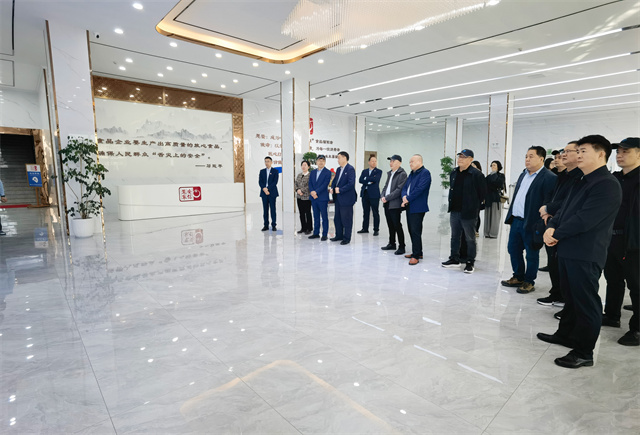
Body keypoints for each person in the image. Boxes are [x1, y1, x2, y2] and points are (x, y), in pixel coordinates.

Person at [538, 135, 622, 368]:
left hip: (586, 253)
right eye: (578, 151)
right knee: (570, 298)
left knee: (586, 302)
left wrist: (556, 233)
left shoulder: (606, 184)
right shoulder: (581, 180)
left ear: (601, 154)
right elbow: (564, 210)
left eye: (583, 151)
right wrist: (552, 226)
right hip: (568, 248)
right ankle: (565, 334)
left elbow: (585, 219)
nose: (578, 155)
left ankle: (584, 352)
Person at [501, 146, 556, 293]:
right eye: (526, 156)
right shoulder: (523, 174)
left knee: (531, 253)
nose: (527, 159)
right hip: (516, 220)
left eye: (531, 156)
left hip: (533, 222)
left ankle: (529, 281)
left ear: (541, 159)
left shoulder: (549, 177)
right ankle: (518, 276)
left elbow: (549, 201)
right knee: (513, 249)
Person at [602, 137, 639, 346]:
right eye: (618, 152)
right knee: (613, 279)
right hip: (611, 238)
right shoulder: (614, 179)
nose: (620, 155)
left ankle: (637, 329)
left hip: (634, 241)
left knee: (637, 285)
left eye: (626, 151)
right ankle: (611, 315)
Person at [537, 141, 582, 308]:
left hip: (564, 227)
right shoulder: (562, 176)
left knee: (563, 267)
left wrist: (548, 208)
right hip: (552, 222)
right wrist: (546, 210)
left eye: (567, 152)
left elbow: (569, 202)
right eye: (560, 154)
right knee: (554, 263)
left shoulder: (580, 178)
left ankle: (563, 298)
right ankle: (557, 293)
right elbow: (552, 197)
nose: (561, 156)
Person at [442, 149, 486, 273]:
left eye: (464, 157)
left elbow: (482, 194)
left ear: (471, 159)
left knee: (470, 238)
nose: (460, 159)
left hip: (469, 212)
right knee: (455, 236)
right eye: (459, 156)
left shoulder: (476, 174)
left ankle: (470, 262)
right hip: (455, 210)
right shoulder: (454, 172)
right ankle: (454, 258)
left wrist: (474, 207)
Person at [401, 155, 431, 265]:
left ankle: (416, 255)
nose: (410, 164)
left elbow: (420, 189)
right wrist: (404, 196)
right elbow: (405, 187)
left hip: (418, 206)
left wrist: (407, 198)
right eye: (409, 162)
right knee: (411, 229)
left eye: (412, 161)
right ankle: (418, 252)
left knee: (415, 230)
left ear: (419, 161)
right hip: (409, 205)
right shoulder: (412, 173)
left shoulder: (425, 173)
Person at [380, 155, 408, 255]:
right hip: (387, 203)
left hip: (395, 204)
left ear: (399, 163)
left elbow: (399, 190)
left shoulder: (402, 174)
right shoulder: (390, 173)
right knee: (390, 225)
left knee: (397, 225)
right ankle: (392, 243)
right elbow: (385, 187)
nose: (391, 163)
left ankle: (402, 246)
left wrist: (387, 197)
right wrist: (382, 196)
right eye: (390, 161)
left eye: (393, 161)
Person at [330, 151, 357, 245]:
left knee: (346, 219)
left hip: (347, 198)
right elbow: (335, 181)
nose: (338, 160)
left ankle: (347, 238)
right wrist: (332, 188)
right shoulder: (338, 169)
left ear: (344, 158)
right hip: (338, 198)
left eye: (339, 158)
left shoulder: (350, 169)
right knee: (337, 218)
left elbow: (351, 183)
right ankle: (339, 235)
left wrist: (340, 190)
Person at [357, 155, 383, 236]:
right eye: (372, 161)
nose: (374, 162)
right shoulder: (364, 171)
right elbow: (360, 180)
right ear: (369, 162)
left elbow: (376, 180)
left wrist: (366, 178)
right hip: (365, 194)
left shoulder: (379, 171)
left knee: (375, 212)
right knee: (366, 212)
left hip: (374, 195)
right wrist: (369, 180)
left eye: (375, 161)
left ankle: (376, 229)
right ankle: (365, 228)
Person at [308, 155, 331, 241]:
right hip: (314, 198)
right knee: (316, 216)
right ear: (316, 162)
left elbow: (325, 184)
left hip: (322, 198)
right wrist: (312, 192)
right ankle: (316, 233)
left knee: (324, 217)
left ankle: (324, 234)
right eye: (319, 160)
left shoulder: (327, 172)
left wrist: (316, 192)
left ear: (325, 162)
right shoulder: (313, 172)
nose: (321, 162)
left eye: (323, 161)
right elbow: (310, 183)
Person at [484, 160, 506, 238]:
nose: (493, 167)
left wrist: (494, 175)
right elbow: (485, 185)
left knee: (495, 216)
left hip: (495, 198)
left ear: (498, 167)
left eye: (494, 165)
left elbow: (499, 184)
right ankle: (486, 233)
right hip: (488, 198)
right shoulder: (488, 176)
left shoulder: (501, 176)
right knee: (487, 216)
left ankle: (493, 234)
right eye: (492, 165)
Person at [259, 156, 279, 231]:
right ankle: (266, 225)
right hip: (264, 193)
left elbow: (275, 182)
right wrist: (264, 188)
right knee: (265, 210)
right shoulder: (262, 171)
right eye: (265, 161)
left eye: (268, 161)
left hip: (272, 193)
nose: (266, 163)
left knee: (273, 209)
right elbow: (260, 181)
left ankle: (274, 225)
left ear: (271, 162)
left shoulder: (275, 171)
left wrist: (267, 188)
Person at [295, 160, 313, 234]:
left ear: (308, 167)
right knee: (301, 213)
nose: (303, 166)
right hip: (299, 197)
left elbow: (309, 186)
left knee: (307, 213)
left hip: (307, 197)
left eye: (305, 165)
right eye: (302, 165)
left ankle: (309, 228)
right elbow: (296, 184)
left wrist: (302, 190)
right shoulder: (299, 175)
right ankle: (303, 227)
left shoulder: (310, 175)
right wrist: (297, 190)